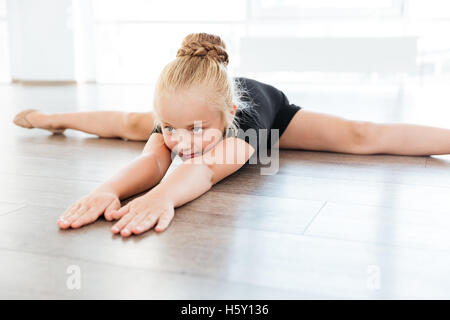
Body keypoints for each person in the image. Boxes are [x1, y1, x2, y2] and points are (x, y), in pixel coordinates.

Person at [13, 33, 450, 237]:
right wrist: (108, 189)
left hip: (274, 113)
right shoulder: (175, 120)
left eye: (195, 130)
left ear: (226, 116)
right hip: (189, 104)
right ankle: (53, 118)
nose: (181, 142)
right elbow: (151, 161)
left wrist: (163, 196)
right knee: (128, 125)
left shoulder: (242, 126)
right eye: (170, 128)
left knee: (360, 134)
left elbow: (203, 171)